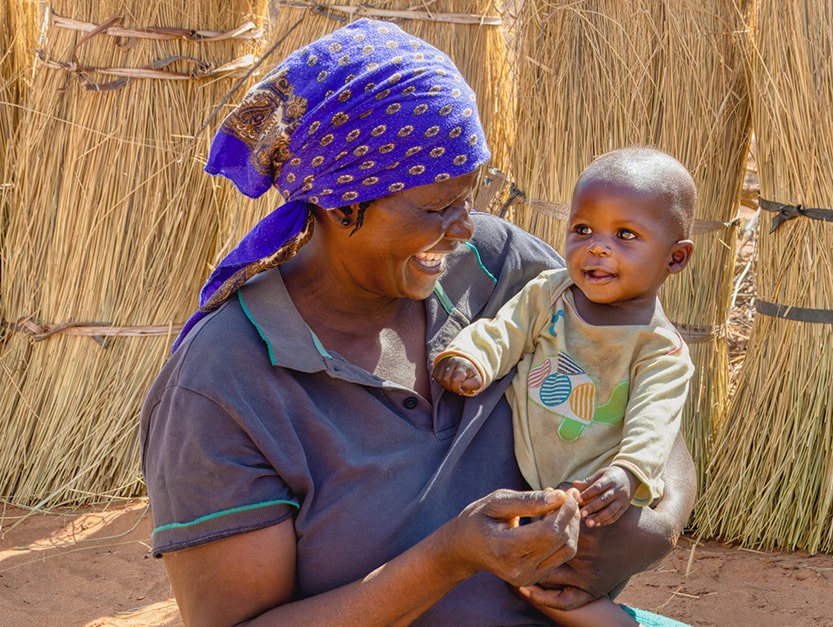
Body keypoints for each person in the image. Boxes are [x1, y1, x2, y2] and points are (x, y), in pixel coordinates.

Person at [138, 18, 695, 626]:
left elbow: (648, 380)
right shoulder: (225, 382)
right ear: (340, 200)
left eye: (469, 196)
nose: (462, 228)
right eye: (435, 207)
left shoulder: (501, 267)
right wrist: (448, 559)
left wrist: (652, 528)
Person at [433, 147, 696, 626]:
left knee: (563, 581)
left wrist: (628, 474)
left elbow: (654, 425)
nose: (597, 247)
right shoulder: (551, 294)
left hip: (597, 496)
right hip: (532, 483)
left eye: (625, 235)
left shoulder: (661, 351)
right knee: (523, 567)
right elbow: (505, 329)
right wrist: (473, 359)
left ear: (675, 258)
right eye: (582, 230)